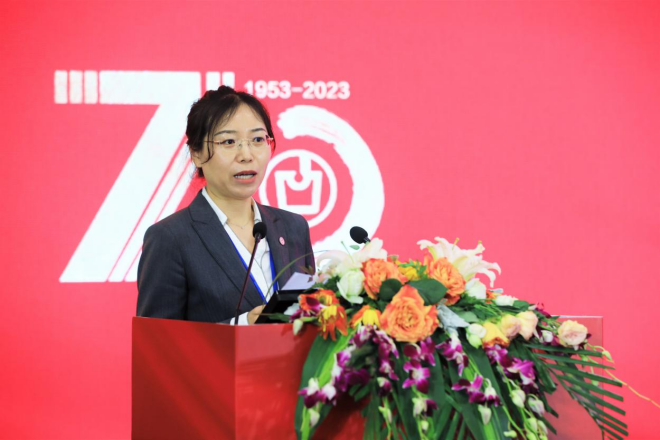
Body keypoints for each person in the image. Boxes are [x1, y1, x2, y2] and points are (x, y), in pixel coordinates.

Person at [136, 86, 315, 324]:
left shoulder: (293, 227)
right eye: (229, 141)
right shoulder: (170, 238)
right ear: (197, 153)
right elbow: (157, 341)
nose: (246, 155)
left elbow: (308, 316)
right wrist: (241, 325)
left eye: (257, 139)